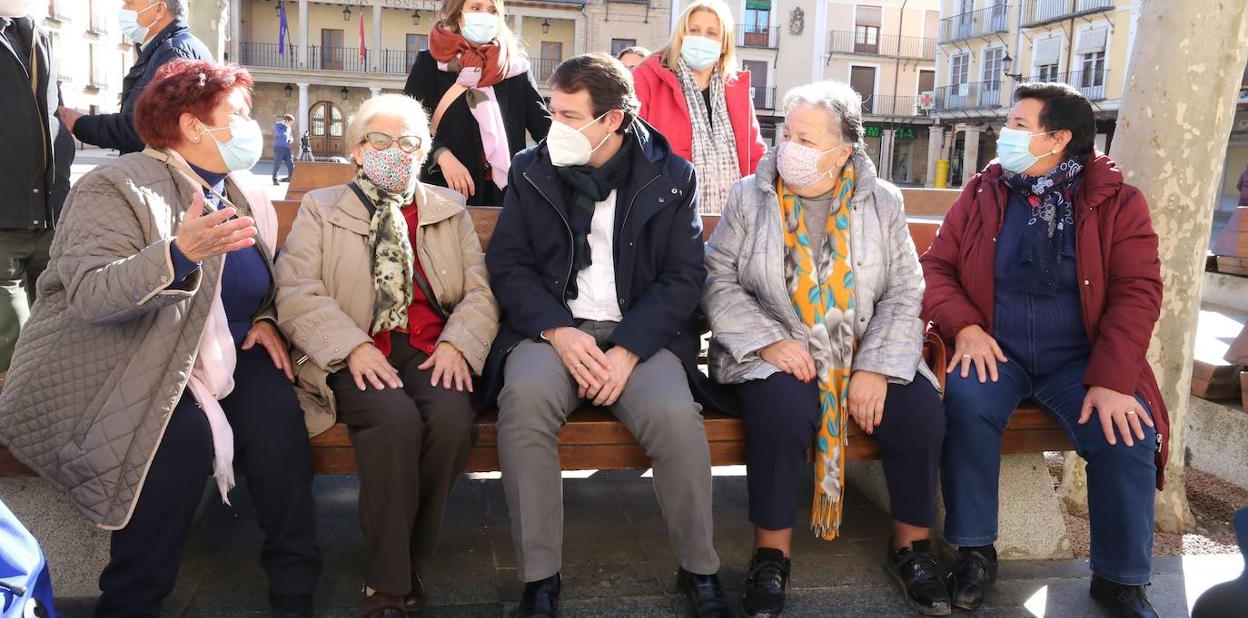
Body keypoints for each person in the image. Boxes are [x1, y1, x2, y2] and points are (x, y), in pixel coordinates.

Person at [0, 59, 322, 618]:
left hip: (230, 351)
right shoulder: (116, 186)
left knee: (280, 434)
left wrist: (267, 319)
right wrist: (178, 254)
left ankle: (294, 593)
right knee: (174, 448)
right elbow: (91, 295)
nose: (251, 125)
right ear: (194, 125)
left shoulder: (240, 191)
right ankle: (130, 602)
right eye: (239, 114)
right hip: (129, 357)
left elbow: (259, 282)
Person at [485, 53, 734, 618]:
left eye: (571, 115)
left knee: (675, 416)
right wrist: (557, 330)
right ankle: (540, 579)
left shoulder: (672, 177)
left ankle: (700, 570)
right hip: (553, 332)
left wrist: (628, 350)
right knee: (522, 403)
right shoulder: (531, 169)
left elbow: (682, 276)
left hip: (639, 336)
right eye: (553, 111)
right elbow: (509, 265)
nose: (556, 127)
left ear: (613, 120)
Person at [920, 82, 1169, 618]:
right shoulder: (984, 191)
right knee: (963, 403)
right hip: (994, 349)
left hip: (1080, 361)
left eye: (1017, 125)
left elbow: (1138, 291)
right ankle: (974, 552)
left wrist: (1112, 379)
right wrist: (963, 327)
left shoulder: (1116, 202)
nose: (1004, 135)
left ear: (1057, 138)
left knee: (1127, 431)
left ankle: (1120, 580)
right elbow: (936, 266)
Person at [703, 81, 948, 617]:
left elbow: (906, 289)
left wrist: (877, 367)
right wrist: (767, 341)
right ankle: (771, 555)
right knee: (783, 412)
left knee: (920, 414)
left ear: (843, 152)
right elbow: (717, 280)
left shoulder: (881, 201)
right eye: (785, 133)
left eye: (805, 138)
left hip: (864, 348)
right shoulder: (750, 195)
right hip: (773, 351)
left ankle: (912, 547)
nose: (786, 146)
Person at [275, 93, 499, 617]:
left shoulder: (449, 209)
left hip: (429, 346)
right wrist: (350, 346)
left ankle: (404, 557)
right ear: (357, 149)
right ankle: (388, 584)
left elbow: (480, 292)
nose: (393, 151)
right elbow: (297, 290)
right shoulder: (322, 208)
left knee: (450, 421)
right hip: (354, 348)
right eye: (380, 140)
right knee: (395, 422)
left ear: (422, 153)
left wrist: (457, 344)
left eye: (407, 142)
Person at [403, 0, 550, 206]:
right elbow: (408, 127)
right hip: (445, 190)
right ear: (457, 14)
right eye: (476, 8)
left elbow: (544, 128)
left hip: (507, 194)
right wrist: (441, 155)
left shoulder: (515, 67)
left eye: (493, 10)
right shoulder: (429, 64)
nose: (486, 16)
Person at [0, 0, 74, 373]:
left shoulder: (35, 35)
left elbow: (51, 112)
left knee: (50, 341)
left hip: (48, 213)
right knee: (13, 348)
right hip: (5, 218)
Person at [632, 0, 765, 214]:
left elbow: (754, 153)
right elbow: (633, 148)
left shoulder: (734, 88)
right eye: (693, 30)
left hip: (732, 222)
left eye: (712, 33)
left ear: (724, 44)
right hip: (667, 215)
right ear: (681, 35)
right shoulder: (648, 78)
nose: (701, 38)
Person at [59, 0, 212, 154]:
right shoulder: (165, 49)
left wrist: (80, 124)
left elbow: (152, 128)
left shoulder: (174, 52)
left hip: (166, 178)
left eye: (129, 2)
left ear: (159, 10)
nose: (123, 10)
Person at [273, 113, 295, 184]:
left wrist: (291, 139)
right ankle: (275, 179)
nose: (290, 125)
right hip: (279, 148)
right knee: (278, 164)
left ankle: (291, 177)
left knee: (290, 163)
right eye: (290, 123)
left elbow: (290, 135)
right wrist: (285, 126)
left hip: (287, 148)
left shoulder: (289, 127)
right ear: (286, 121)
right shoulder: (278, 125)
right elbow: (279, 133)